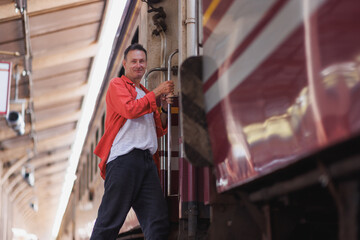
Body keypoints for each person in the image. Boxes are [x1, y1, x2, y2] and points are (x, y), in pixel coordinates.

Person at [90, 43, 174, 240]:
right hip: (123, 160)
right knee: (109, 222)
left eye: (142, 61)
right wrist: (157, 91)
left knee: (158, 223)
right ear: (125, 64)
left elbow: (158, 130)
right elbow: (130, 109)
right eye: (134, 61)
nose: (138, 65)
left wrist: (161, 108)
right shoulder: (117, 85)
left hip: (147, 162)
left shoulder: (145, 93)